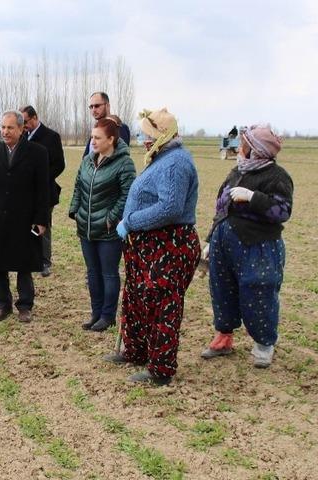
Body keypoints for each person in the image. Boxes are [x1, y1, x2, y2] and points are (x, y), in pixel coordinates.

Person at [107, 108, 200, 386]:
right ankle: (135, 351)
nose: (142, 139)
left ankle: (161, 369)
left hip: (169, 246)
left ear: (162, 135)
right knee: (137, 300)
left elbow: (170, 208)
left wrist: (131, 221)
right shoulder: (162, 158)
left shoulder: (175, 163)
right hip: (147, 246)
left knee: (163, 306)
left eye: (146, 134)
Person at [198, 125, 293, 368]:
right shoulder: (236, 171)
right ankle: (224, 336)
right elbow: (221, 208)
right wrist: (210, 239)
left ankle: (264, 343)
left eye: (244, 145)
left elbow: (282, 211)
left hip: (257, 245)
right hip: (224, 241)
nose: (239, 149)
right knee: (222, 288)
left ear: (255, 150)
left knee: (258, 291)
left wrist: (253, 197)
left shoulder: (277, 177)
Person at [0, 111, 50, 323]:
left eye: (10, 128)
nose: (5, 131)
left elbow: (44, 188)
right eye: (2, 127)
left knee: (24, 264)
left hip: (24, 217)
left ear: (22, 129)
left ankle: (25, 306)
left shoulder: (37, 152)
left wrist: (41, 220)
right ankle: (2, 305)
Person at [69, 118, 136, 332]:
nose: (93, 141)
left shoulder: (124, 163)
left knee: (108, 273)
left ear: (111, 139)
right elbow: (78, 185)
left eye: (98, 138)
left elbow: (128, 194)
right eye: (92, 137)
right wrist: (75, 211)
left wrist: (111, 218)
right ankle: (95, 313)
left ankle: (108, 316)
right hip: (86, 227)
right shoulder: (88, 160)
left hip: (108, 231)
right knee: (92, 273)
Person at [20, 105, 65, 277]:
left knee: (43, 225)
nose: (23, 125)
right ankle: (30, 257)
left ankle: (45, 261)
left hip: (45, 191)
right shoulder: (22, 136)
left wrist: (42, 178)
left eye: (25, 121)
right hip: (24, 192)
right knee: (25, 224)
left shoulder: (51, 136)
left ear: (34, 117)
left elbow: (59, 164)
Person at [83, 92, 131, 158]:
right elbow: (85, 158)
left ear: (107, 106)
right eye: (91, 107)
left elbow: (120, 159)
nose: (93, 110)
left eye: (97, 106)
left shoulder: (119, 128)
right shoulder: (96, 130)